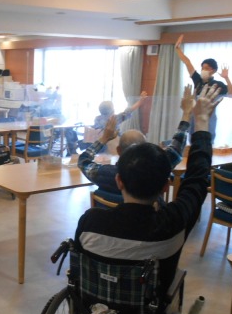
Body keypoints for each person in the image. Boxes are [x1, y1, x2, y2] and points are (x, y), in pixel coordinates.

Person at [74, 83, 221, 300]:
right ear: (165, 186)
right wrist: (197, 119)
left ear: (119, 181)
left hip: (96, 306)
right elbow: (196, 176)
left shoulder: (91, 220)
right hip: (149, 308)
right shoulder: (173, 221)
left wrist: (104, 138)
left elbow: (84, 160)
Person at [78, 85, 195, 204]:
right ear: (145, 149)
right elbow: (176, 148)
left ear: (119, 151)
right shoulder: (155, 170)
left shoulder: (105, 174)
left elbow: (83, 160)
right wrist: (186, 113)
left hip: (113, 216)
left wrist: (104, 138)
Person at [174, 34, 232, 140]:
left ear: (213, 71)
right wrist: (177, 49)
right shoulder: (197, 80)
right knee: (192, 140)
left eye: (206, 68)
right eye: (202, 68)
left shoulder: (217, 84)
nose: (203, 70)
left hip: (209, 118)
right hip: (194, 117)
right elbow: (187, 62)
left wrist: (226, 78)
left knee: (206, 140)